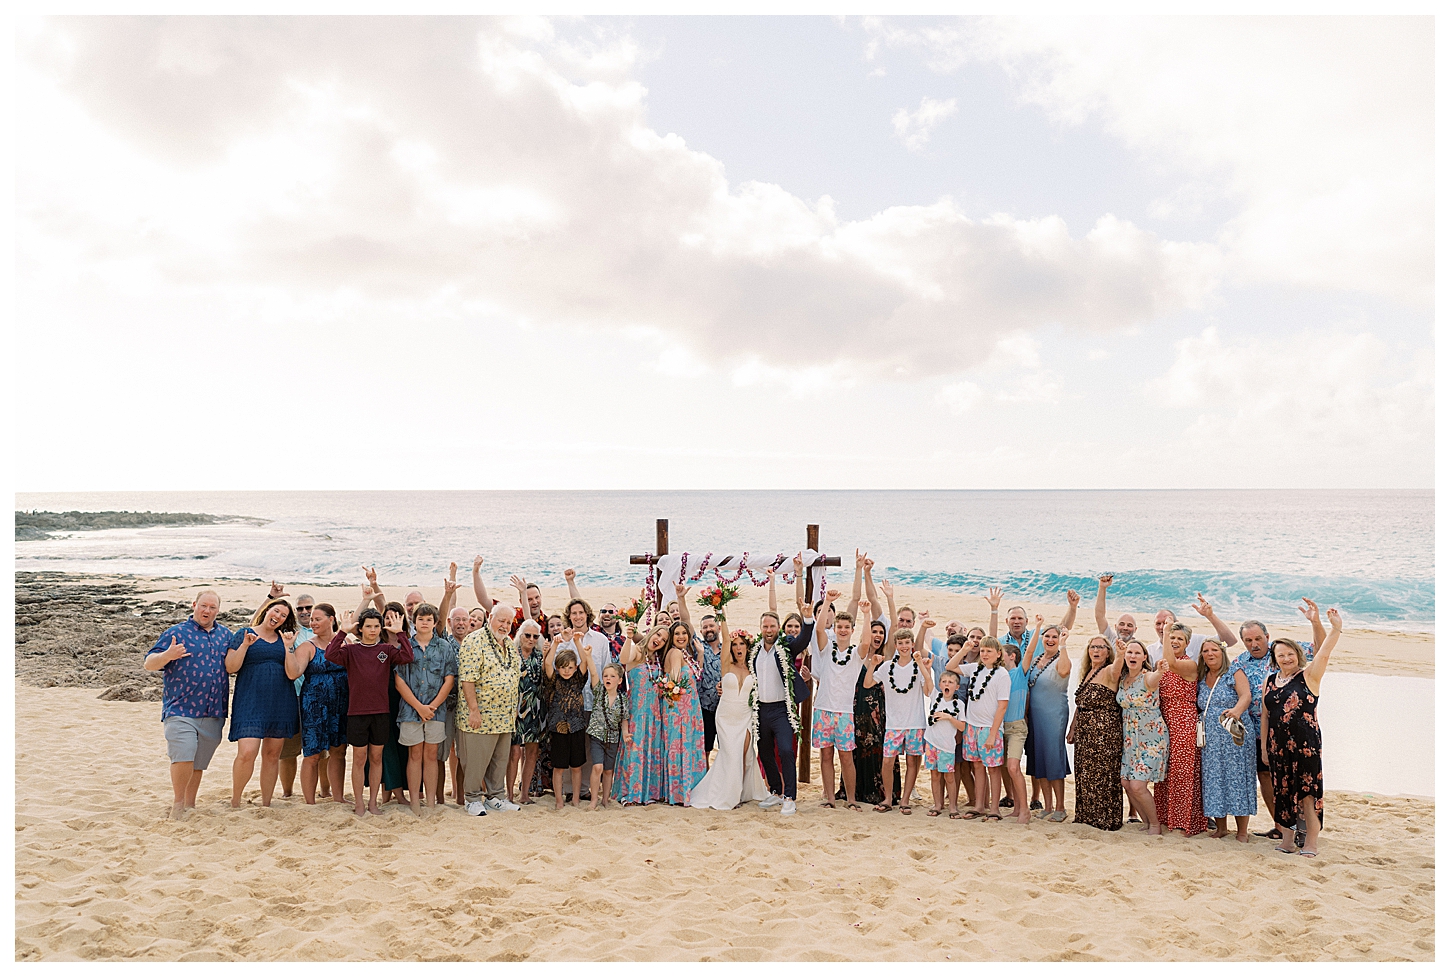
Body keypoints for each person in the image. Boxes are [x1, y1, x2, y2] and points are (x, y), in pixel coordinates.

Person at [143, 589, 240, 819]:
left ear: (218, 610)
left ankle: (190, 803)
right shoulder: (176, 633)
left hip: (213, 709)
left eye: (212, 607)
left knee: (198, 762)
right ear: (194, 604)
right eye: (203, 605)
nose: (207, 611)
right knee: (183, 755)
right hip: (180, 709)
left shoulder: (225, 635)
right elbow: (149, 663)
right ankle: (178, 804)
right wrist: (168, 655)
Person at [1264, 608, 1343, 857]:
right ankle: (1287, 839)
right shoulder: (1270, 680)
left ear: (1298, 655)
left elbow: (1325, 651)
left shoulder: (1309, 675)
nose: (1286, 659)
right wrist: (1266, 748)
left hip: (1305, 744)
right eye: (1281, 655)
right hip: (1277, 746)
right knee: (1283, 792)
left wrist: (1333, 627)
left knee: (1308, 795)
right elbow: (1266, 714)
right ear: (1275, 659)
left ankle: (1311, 842)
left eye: (1290, 654)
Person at [324, 607, 414, 816]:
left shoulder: (387, 650)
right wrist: (342, 633)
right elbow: (330, 654)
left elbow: (407, 656)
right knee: (359, 757)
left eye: (376, 626)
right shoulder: (351, 650)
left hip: (381, 712)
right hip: (357, 713)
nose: (372, 630)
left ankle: (373, 803)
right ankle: (359, 803)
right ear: (361, 628)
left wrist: (400, 633)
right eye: (368, 626)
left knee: (376, 758)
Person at [226, 597, 302, 809]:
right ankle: (235, 801)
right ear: (267, 610)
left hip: (280, 702)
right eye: (276, 611)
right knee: (247, 752)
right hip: (250, 700)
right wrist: (244, 645)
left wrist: (288, 647)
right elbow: (231, 667)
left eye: (283, 616)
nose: (278, 617)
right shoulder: (244, 633)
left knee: (272, 755)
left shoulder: (285, 639)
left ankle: (266, 803)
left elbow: (292, 673)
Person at [688, 626, 769, 810]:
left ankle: (739, 793)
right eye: (734, 644)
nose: (738, 648)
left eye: (741, 644)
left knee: (744, 754)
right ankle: (730, 796)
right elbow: (724, 635)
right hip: (726, 716)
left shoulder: (753, 667)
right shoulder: (726, 665)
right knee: (731, 754)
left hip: (746, 715)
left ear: (747, 647)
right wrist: (721, 610)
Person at [749, 600, 815, 817]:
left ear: (778, 628)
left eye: (772, 626)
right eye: (765, 627)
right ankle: (776, 792)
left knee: (786, 750)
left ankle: (789, 797)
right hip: (761, 710)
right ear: (761, 629)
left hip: (782, 709)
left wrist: (807, 620)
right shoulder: (755, 649)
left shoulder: (786, 646)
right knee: (765, 751)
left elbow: (803, 639)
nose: (769, 630)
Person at [456, 603, 523, 816]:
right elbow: (467, 678)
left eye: (508, 622)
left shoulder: (509, 644)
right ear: (490, 617)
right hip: (481, 714)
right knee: (476, 759)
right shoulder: (474, 640)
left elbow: (514, 676)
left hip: (504, 715)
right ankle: (472, 799)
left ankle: (496, 797)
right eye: (501, 620)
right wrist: (473, 710)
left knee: (499, 759)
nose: (504, 625)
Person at [394, 602, 458, 816]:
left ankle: (430, 802)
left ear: (435, 622)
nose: (424, 622)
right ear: (414, 621)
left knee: (431, 756)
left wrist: (433, 706)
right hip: (410, 710)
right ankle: (414, 801)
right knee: (414, 755)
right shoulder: (405, 646)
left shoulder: (445, 647)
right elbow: (399, 680)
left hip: (436, 711)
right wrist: (419, 707)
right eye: (420, 619)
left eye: (429, 619)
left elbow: (449, 679)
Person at [286, 602, 349, 805]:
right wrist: (288, 647)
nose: (312, 623)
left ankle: (338, 797)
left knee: (338, 751)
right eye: (311, 619)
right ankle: (310, 802)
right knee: (313, 753)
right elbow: (294, 673)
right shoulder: (307, 646)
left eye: (317, 619)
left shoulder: (345, 641)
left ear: (331, 620)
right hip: (314, 704)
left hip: (340, 703)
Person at [811, 599, 871, 810]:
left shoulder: (856, 654)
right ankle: (829, 798)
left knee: (846, 757)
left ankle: (852, 799)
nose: (843, 630)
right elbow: (818, 629)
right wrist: (827, 601)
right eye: (840, 627)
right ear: (834, 629)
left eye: (847, 627)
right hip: (823, 709)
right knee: (825, 755)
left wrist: (866, 613)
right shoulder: (826, 648)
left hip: (844, 712)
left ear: (852, 630)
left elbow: (866, 642)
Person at [864, 625, 931, 815]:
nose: (903, 646)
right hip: (894, 723)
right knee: (887, 761)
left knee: (912, 762)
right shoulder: (887, 667)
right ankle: (887, 798)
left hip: (915, 722)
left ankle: (905, 799)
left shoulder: (918, 666)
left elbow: (928, 691)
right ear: (895, 645)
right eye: (900, 643)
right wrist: (872, 665)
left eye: (907, 643)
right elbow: (868, 683)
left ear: (912, 645)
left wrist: (925, 669)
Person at [1154, 622, 1210, 836]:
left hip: (1183, 720)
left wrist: (1166, 632)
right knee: (1164, 773)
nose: (1174, 641)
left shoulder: (1189, 665)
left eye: (1179, 638)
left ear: (1187, 643)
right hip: (1164, 720)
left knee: (1182, 773)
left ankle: (1182, 823)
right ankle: (1164, 819)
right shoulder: (1161, 663)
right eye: (1171, 638)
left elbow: (1172, 663)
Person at [1197, 637, 1255, 841]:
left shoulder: (1234, 672)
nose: (1210, 654)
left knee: (1237, 779)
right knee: (1214, 780)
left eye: (1214, 650)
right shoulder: (1202, 676)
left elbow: (1246, 695)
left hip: (1233, 736)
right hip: (1211, 740)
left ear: (1222, 652)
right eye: (1205, 651)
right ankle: (1221, 828)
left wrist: (1236, 712)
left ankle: (1241, 831)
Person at [1067, 635, 1124, 831]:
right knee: (1085, 774)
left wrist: (1122, 652)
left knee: (1103, 775)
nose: (1096, 650)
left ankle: (1104, 819)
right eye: (1093, 647)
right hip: (1085, 732)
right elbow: (1081, 704)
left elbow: (1118, 669)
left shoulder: (1109, 670)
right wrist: (1072, 728)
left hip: (1105, 732)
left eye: (1101, 647)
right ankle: (1086, 816)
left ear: (1108, 652)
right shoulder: (1088, 672)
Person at [837, 618, 894, 807]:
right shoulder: (856, 654)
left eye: (880, 632)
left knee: (878, 746)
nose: (877, 635)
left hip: (878, 708)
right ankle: (854, 791)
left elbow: (894, 625)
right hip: (856, 705)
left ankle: (879, 792)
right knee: (855, 747)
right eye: (874, 631)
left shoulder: (887, 656)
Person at [1116, 639, 1169, 835]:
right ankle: (1146, 822)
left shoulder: (1148, 677)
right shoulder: (1122, 680)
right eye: (1129, 652)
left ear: (1144, 657)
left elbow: (1156, 678)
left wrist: (1161, 670)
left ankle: (1155, 824)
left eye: (1137, 653)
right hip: (1131, 740)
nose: (1132, 656)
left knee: (1138, 785)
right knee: (1126, 783)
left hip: (1151, 740)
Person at [957, 637, 1011, 821]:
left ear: (998, 654)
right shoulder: (974, 668)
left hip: (990, 728)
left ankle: (995, 808)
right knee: (977, 766)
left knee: (993, 769)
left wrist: (993, 734)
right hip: (972, 726)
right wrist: (964, 649)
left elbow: (1002, 706)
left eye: (989, 651)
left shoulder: (1002, 674)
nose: (985, 654)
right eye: (982, 651)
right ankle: (980, 805)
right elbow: (951, 666)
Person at [1024, 621, 1073, 821]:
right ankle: (1048, 805)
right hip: (1035, 715)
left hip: (1054, 714)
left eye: (1055, 636)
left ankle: (1060, 807)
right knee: (1039, 759)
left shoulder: (1062, 658)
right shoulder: (1037, 659)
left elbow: (1063, 672)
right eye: (1048, 636)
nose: (1051, 640)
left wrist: (1063, 645)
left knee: (1053, 759)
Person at [616, 623, 670, 805]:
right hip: (637, 711)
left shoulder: (657, 659)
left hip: (654, 713)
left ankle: (649, 794)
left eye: (663, 640)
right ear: (652, 633)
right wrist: (629, 637)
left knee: (652, 750)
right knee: (635, 751)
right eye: (658, 635)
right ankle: (631, 793)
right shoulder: (637, 652)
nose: (659, 641)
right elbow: (624, 658)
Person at [659, 619, 708, 805]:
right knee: (680, 747)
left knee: (689, 748)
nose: (681, 637)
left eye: (684, 633)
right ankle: (680, 793)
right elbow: (674, 683)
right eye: (677, 633)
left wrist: (701, 654)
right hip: (679, 710)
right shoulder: (675, 653)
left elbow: (696, 675)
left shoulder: (686, 654)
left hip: (691, 708)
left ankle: (690, 789)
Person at [542, 634, 591, 810]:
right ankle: (559, 801)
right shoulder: (553, 680)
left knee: (577, 766)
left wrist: (577, 642)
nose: (567, 671)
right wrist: (555, 644)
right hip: (558, 728)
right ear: (558, 668)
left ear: (575, 667)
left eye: (570, 667)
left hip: (577, 727)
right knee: (559, 767)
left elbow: (584, 662)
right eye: (563, 668)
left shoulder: (578, 680)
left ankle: (576, 799)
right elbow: (548, 664)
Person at [509, 620, 546, 806]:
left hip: (535, 709)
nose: (531, 639)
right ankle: (508, 794)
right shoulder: (511, 654)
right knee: (514, 753)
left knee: (532, 752)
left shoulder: (540, 656)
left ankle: (524, 794)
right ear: (520, 635)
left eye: (535, 636)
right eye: (527, 635)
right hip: (514, 709)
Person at [998, 632, 1033, 825]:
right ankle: (1017, 808)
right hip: (1001, 728)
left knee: (1013, 767)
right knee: (1007, 768)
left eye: (1001, 653)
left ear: (1011, 656)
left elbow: (1028, 653)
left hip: (1017, 727)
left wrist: (1037, 626)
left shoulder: (1020, 672)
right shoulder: (998, 675)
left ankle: (1025, 811)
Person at [923, 667, 967, 819]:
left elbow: (962, 726)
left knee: (949, 777)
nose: (947, 684)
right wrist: (920, 663)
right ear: (940, 685)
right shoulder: (935, 696)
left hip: (947, 746)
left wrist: (948, 717)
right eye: (944, 681)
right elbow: (927, 678)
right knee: (934, 775)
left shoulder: (959, 705)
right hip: (931, 743)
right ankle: (937, 804)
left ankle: (953, 807)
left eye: (951, 682)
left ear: (957, 687)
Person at [587, 662, 628, 810]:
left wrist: (625, 734)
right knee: (598, 766)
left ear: (620, 680)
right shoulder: (599, 692)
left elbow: (624, 719)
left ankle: (605, 798)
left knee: (608, 770)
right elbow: (593, 673)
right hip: (597, 736)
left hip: (613, 738)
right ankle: (593, 799)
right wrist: (589, 657)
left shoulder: (623, 699)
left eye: (612, 676)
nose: (608, 678)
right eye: (605, 676)